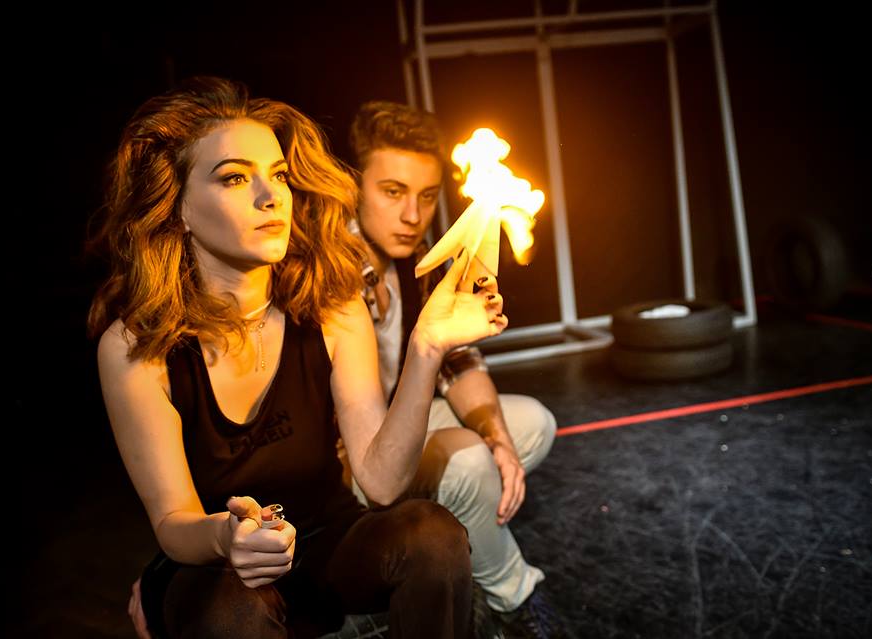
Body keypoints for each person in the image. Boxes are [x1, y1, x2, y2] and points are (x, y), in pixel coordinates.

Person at [89, 76, 508, 639]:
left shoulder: (332, 307)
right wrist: (227, 537)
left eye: (279, 175)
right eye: (235, 177)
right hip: (215, 569)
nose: (271, 196)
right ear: (179, 206)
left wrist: (426, 348)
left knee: (432, 535)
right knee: (233, 608)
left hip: (324, 542)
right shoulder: (135, 349)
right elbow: (173, 522)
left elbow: (382, 483)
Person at [345, 101, 562, 638]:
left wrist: (498, 439)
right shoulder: (331, 269)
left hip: (400, 423)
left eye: (426, 196)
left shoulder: (421, 258)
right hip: (348, 457)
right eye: (392, 192)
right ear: (354, 187)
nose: (412, 215)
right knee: (468, 462)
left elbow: (460, 364)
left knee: (529, 425)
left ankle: (457, 544)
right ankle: (513, 599)